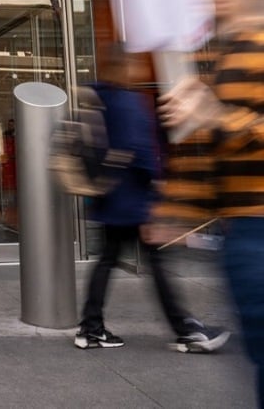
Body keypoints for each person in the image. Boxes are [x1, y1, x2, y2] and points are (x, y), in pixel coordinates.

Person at [157, 0, 264, 402]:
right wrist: (174, 209)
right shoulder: (221, 52)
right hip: (241, 229)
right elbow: (209, 147)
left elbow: (231, 126)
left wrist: (215, 113)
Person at [75, 46, 229, 353]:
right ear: (128, 68)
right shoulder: (130, 102)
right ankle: (185, 330)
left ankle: (90, 328)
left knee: (108, 261)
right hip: (135, 200)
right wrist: (158, 197)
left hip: (111, 198)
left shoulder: (101, 99)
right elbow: (142, 153)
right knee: (156, 263)